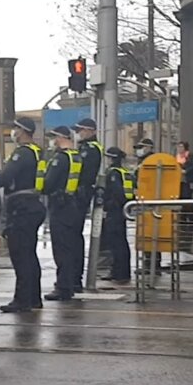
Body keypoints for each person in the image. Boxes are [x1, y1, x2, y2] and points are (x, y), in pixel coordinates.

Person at [0, 116, 46, 313]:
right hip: (33, 205)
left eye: (15, 128)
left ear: (23, 131)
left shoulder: (22, 153)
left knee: (20, 255)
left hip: (21, 207)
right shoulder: (37, 152)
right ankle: (34, 297)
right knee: (30, 254)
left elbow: (4, 178)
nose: (13, 132)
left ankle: (22, 300)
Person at [43, 126, 83, 301]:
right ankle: (70, 284)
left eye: (54, 137)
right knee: (70, 246)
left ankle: (63, 287)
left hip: (60, 205)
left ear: (60, 137)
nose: (53, 141)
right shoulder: (75, 156)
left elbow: (48, 183)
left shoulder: (60, 158)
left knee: (61, 249)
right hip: (72, 204)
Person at [72, 117, 102, 292]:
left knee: (74, 236)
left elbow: (82, 173)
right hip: (80, 193)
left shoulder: (90, 149)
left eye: (81, 130)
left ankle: (76, 277)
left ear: (91, 131)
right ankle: (74, 276)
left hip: (81, 193)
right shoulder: (85, 148)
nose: (78, 134)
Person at [99, 146, 133, 286]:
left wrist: (109, 203)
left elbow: (117, 192)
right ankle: (122, 271)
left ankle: (119, 273)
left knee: (116, 243)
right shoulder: (124, 171)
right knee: (121, 241)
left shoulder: (113, 173)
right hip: (122, 211)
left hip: (114, 211)